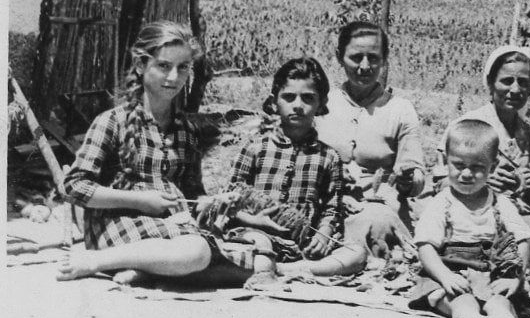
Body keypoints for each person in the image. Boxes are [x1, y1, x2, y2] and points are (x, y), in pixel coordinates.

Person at [57, 22, 229, 283]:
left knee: (250, 260)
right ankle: (97, 261)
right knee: (197, 253)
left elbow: (192, 190)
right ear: (140, 65)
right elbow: (72, 187)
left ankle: (144, 269)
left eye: (183, 67)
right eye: (164, 66)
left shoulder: (187, 129)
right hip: (119, 222)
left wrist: (207, 202)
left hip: (172, 225)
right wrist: (139, 200)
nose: (174, 77)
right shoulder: (112, 121)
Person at [208, 58, 366, 284]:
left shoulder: (328, 157)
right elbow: (229, 198)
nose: (298, 105)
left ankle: (281, 269)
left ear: (321, 104)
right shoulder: (255, 147)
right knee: (256, 244)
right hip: (253, 233)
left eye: (308, 98)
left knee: (356, 254)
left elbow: (332, 208)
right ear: (274, 101)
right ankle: (269, 266)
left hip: (300, 243)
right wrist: (255, 220)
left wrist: (323, 236)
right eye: (289, 97)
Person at [409, 119, 530, 318]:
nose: (467, 174)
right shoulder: (442, 203)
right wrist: (444, 276)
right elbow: (425, 246)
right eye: (459, 165)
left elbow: (521, 241)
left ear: (493, 166)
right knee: (460, 302)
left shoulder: (500, 203)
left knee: (501, 301)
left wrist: (514, 277)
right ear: (445, 161)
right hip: (452, 272)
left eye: (477, 167)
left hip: (492, 274)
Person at [315, 21, 426, 256]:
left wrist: (408, 180)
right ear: (339, 56)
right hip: (326, 200)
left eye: (373, 58)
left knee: (376, 224)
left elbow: (416, 175)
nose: (365, 66)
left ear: (384, 59)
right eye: (356, 58)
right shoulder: (322, 105)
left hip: (376, 205)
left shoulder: (400, 110)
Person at [436, 45, 530, 227]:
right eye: (507, 81)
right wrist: (481, 181)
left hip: (514, 213)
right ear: (490, 83)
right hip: (471, 213)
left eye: (523, 82)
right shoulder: (467, 126)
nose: (515, 89)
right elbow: (440, 184)